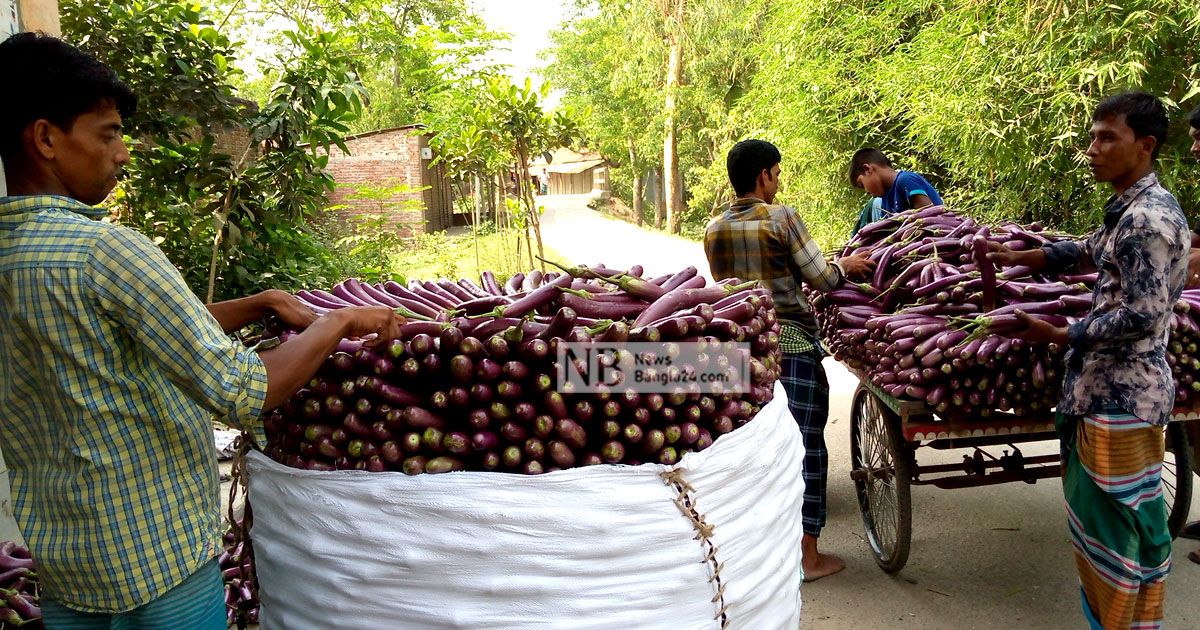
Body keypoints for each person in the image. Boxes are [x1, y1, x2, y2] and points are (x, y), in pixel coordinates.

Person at [0, 33, 404, 627]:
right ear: (45, 139)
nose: (123, 153)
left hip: (69, 562)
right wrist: (338, 321)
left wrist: (259, 302)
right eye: (107, 134)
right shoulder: (105, 251)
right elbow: (246, 391)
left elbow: (134, 331)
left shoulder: (18, 254)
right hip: (158, 565)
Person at [989, 92, 1187, 629]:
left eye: (1107, 138)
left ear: (1144, 146)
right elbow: (1088, 248)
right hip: (1114, 396)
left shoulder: (1147, 220)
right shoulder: (1132, 210)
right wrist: (1021, 256)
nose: (1092, 149)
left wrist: (1057, 332)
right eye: (1092, 136)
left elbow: (1142, 315)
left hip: (1119, 401)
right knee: (1130, 532)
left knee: (1115, 539)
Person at [704, 139, 874, 582]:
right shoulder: (781, 219)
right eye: (776, 175)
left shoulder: (713, 227)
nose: (778, 183)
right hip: (790, 345)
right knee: (806, 449)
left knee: (753, 448)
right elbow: (821, 277)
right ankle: (808, 556)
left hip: (738, 350)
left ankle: (759, 552)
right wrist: (848, 266)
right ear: (764, 176)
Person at [848, 148, 944, 221]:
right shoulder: (885, 201)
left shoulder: (905, 180)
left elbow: (929, 218)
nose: (866, 191)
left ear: (868, 169)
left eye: (862, 184)